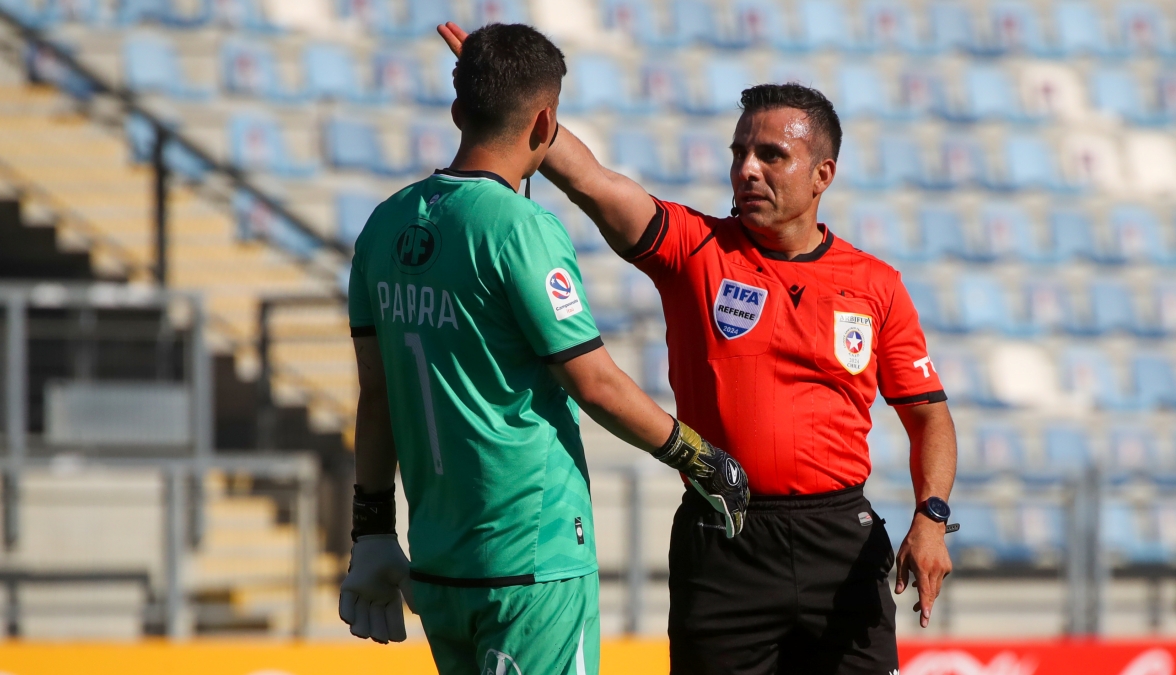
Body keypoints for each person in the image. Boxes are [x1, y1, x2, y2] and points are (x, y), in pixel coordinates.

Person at [439, 22, 958, 675]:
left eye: (771, 155)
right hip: (723, 536)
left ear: (822, 174)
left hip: (840, 542)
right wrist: (515, 102)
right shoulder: (694, 249)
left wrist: (931, 516)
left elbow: (929, 416)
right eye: (739, 152)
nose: (747, 169)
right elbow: (591, 181)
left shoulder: (875, 284)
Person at [339, 23, 750, 675]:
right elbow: (594, 383)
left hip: (439, 560)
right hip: (532, 558)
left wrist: (371, 526)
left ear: (457, 112)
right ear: (545, 123)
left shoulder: (384, 223)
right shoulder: (522, 229)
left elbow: (377, 392)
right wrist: (699, 456)